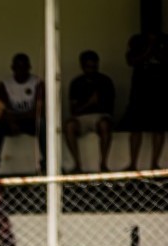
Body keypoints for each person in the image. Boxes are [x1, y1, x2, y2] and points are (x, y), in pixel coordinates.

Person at [64, 50, 116, 173]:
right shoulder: (76, 83)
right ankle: (77, 165)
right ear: (82, 66)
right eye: (88, 66)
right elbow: (73, 111)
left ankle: (103, 164)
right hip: (81, 118)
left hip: (101, 116)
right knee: (69, 125)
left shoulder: (105, 81)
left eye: (94, 66)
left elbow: (110, 108)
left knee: (104, 124)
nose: (92, 69)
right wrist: (89, 103)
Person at [122, 32, 167, 171]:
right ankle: (133, 164)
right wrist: (149, 48)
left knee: (159, 129)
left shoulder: (164, 42)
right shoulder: (136, 43)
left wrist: (156, 48)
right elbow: (132, 61)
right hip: (139, 91)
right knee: (135, 129)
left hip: (159, 91)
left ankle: (154, 164)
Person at [0, 54, 46, 171]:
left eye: (24, 67)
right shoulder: (5, 83)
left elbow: (38, 110)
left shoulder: (37, 82)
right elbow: (2, 109)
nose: (21, 70)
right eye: (18, 67)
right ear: (13, 68)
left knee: (42, 123)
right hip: (11, 121)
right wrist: (12, 122)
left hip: (30, 121)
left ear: (29, 68)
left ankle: (45, 161)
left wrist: (18, 117)